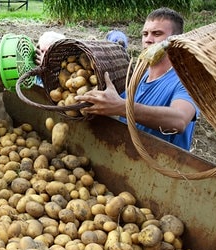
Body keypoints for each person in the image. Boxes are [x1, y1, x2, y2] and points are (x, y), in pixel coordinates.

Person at [75, 7, 199, 151]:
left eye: (157, 34)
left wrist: (121, 107)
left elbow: (179, 121)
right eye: (145, 34)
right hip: (128, 157)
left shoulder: (187, 80)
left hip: (162, 165)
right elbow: (116, 100)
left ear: (176, 42)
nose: (148, 40)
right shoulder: (140, 74)